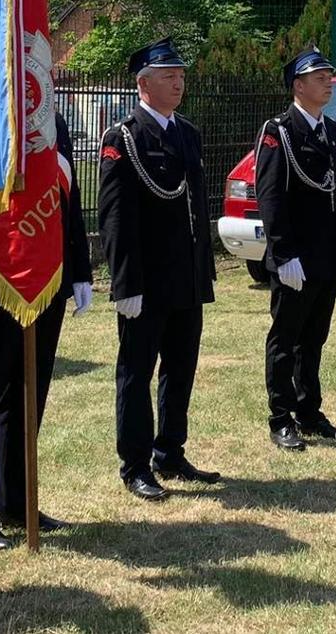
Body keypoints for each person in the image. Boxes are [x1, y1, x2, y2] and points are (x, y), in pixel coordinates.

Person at [0, 101, 92, 546]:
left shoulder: (50, 120)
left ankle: (15, 501)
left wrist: (78, 268)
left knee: (28, 398)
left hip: (44, 280)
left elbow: (68, 200)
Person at [99, 38, 220, 502]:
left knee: (181, 366)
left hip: (185, 275)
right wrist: (125, 282)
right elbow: (115, 216)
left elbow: (193, 206)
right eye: (169, 76)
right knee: (136, 371)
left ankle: (169, 449)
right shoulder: (123, 138)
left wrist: (202, 271)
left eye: (181, 75)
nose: (178, 82)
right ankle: (134, 464)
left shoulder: (186, 133)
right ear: (143, 83)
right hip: (146, 281)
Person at [257, 47, 336, 451]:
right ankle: (281, 417)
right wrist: (283, 254)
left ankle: (309, 410)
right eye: (319, 77)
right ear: (298, 86)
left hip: (325, 255)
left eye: (329, 75)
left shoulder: (332, 130)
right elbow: (270, 196)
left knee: (315, 337)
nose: (328, 82)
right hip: (295, 257)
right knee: (286, 338)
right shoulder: (278, 130)